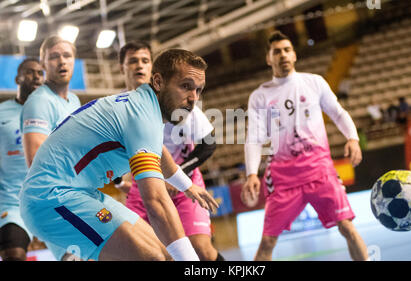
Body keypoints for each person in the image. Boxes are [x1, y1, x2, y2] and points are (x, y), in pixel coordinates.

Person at [19, 49, 218, 261]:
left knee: (166, 255)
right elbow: (156, 201)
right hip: (50, 198)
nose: (193, 99)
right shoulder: (143, 117)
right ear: (158, 82)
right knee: (153, 258)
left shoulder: (143, 106)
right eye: (186, 86)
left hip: (80, 193)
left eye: (198, 90)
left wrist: (186, 185)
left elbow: (158, 151)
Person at [242, 31, 368, 261]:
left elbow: (338, 113)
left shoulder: (314, 82)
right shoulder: (259, 97)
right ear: (268, 59)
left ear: (295, 55)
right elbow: (254, 138)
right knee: (268, 241)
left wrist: (353, 138)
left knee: (347, 228)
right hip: (283, 179)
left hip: (320, 172)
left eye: (287, 50)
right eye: (277, 51)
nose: (283, 55)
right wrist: (251, 173)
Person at [116, 41, 224, 261]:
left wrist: (178, 180)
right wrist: (119, 183)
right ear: (122, 68)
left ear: (153, 70)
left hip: (182, 179)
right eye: (133, 61)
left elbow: (209, 143)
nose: (139, 65)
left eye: (145, 60)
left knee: (199, 248)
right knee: (145, 252)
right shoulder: (121, 106)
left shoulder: (178, 97)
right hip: (147, 182)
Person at [19, 35, 82, 261]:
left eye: (67, 56)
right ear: (44, 64)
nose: (62, 61)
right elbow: (36, 163)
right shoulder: (39, 102)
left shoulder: (74, 101)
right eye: (54, 57)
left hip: (79, 194)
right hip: (56, 201)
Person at [0, 58, 44, 261]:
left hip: (47, 198)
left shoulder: (50, 112)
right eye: (30, 72)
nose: (36, 76)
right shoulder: (2, 112)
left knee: (75, 255)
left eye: (40, 73)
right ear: (18, 78)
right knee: (13, 254)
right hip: (11, 201)